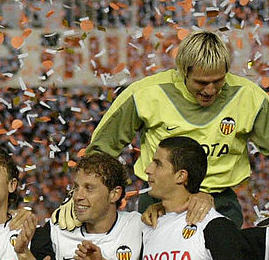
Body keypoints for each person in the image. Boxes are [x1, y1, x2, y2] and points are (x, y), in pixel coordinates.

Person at [77, 30, 269, 226]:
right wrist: (79, 198)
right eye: (201, 82)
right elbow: (100, 152)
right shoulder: (144, 93)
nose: (210, 90)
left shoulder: (251, 97)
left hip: (220, 203)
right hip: (156, 203)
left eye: (218, 81)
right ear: (184, 71)